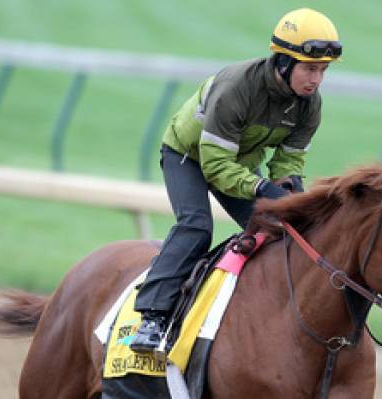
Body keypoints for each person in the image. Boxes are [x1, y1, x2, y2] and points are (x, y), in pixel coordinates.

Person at [130, 8, 342, 354]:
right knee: (196, 226)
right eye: (309, 68)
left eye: (323, 70)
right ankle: (151, 318)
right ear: (284, 63)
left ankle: (257, 316)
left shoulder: (309, 105)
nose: (316, 79)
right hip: (190, 157)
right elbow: (215, 166)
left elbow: (288, 162)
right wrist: (261, 188)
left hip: (239, 164)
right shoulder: (237, 87)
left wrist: (291, 197)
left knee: (277, 232)